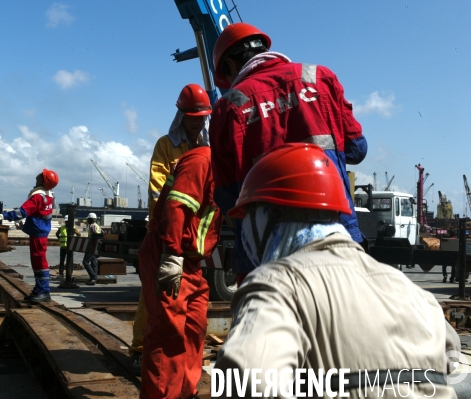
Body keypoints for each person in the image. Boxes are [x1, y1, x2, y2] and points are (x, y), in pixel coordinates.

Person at [214, 143, 459, 397]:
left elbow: (249, 384)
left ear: (269, 217)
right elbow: (451, 359)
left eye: (247, 220)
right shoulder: (418, 297)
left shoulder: (277, 287)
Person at [208, 22, 368, 286]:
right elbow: (356, 149)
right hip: (337, 234)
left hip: (266, 252)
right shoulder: (319, 77)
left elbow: (227, 196)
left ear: (230, 66)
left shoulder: (227, 108)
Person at [129, 83, 213, 374]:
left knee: (189, 305)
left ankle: (181, 361)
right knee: (153, 294)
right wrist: (167, 236)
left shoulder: (206, 147)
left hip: (191, 240)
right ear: (181, 116)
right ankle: (141, 347)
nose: (197, 122)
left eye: (201, 117)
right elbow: (158, 193)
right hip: (166, 234)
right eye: (192, 117)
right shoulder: (166, 146)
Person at [140, 145, 221, 399]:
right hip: (171, 253)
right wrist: (171, 254)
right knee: (168, 333)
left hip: (192, 262)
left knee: (194, 330)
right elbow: (177, 206)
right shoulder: (202, 161)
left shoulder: (225, 166)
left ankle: (186, 392)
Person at [0, 169, 58, 302]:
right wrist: (25, 227)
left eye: (40, 175)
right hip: (39, 230)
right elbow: (39, 215)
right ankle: (40, 290)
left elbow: (22, 212)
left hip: (38, 232)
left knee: (39, 260)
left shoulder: (38, 196)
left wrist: (1, 216)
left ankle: (43, 291)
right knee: (38, 260)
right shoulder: (48, 195)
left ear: (43, 181)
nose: (37, 175)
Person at [82, 212, 102, 285]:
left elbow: (94, 235)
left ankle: (94, 277)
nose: (87, 220)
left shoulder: (93, 226)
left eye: (89, 219)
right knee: (94, 262)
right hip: (96, 246)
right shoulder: (97, 225)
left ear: (91, 219)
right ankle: (93, 279)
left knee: (85, 262)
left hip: (92, 246)